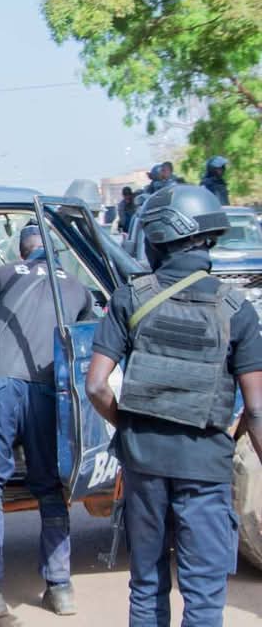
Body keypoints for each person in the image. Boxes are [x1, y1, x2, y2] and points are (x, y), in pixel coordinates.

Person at [85, 185, 262, 627]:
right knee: (203, 594)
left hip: (144, 464)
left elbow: (96, 386)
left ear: (158, 238)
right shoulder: (236, 308)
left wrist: (128, 425)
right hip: (206, 467)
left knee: (146, 584)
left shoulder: (130, 297)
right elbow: (256, 410)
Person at [0, 224, 92, 623]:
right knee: (50, 486)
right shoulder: (78, 287)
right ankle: (61, 589)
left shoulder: (5, 273)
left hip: (1, 388)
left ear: (23, 253)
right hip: (48, 390)